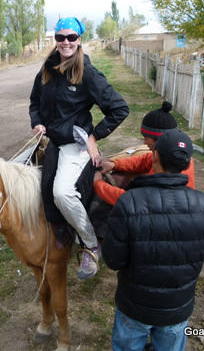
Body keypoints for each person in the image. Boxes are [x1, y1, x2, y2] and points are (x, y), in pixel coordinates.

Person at [29, 17, 129, 279]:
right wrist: (37, 122)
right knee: (38, 190)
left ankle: (90, 242)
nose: (65, 42)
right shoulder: (47, 70)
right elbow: (34, 103)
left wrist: (94, 136)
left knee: (62, 194)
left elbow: (119, 108)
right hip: (54, 143)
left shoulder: (87, 72)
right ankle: (60, 232)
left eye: (71, 37)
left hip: (77, 144)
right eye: (60, 37)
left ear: (80, 39)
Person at [102, 130, 204, 351]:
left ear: (154, 157)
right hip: (178, 307)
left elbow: (113, 260)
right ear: (186, 163)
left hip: (134, 306)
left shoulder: (129, 203)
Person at [94, 101, 195, 206]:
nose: (144, 142)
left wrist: (98, 184)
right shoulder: (172, 157)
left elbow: (130, 201)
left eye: (147, 138)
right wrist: (115, 164)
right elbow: (145, 161)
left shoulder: (168, 179)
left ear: (160, 141)